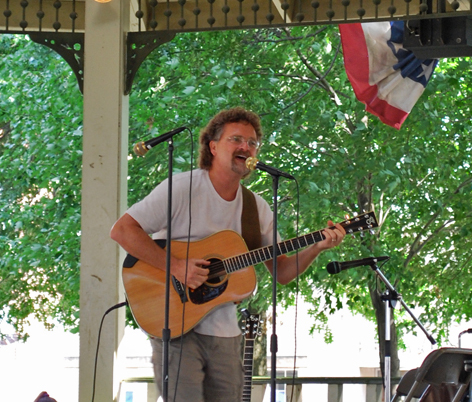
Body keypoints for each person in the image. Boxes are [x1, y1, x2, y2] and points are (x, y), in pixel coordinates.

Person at [110, 107, 346, 402]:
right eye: (236, 139)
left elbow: (283, 272)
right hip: (174, 325)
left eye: (252, 142)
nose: (246, 147)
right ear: (213, 147)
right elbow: (123, 231)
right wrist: (177, 266)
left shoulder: (255, 208)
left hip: (226, 335)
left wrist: (317, 247)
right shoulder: (182, 188)